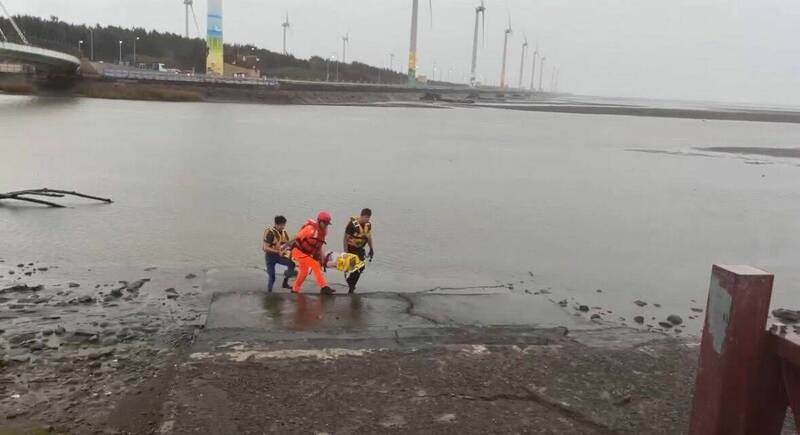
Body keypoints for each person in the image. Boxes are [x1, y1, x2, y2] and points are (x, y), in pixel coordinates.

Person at [291, 211, 335, 295]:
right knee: (315, 265)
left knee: (304, 272)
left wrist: (322, 258)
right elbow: (296, 238)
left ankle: (294, 290)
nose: (326, 225)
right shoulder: (310, 229)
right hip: (298, 251)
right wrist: (284, 247)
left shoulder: (324, 232)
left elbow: (319, 245)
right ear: (319, 221)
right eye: (324, 223)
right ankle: (324, 287)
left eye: (327, 224)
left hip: (306, 254)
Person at [344, 208, 374, 293]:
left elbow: (368, 237)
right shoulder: (351, 225)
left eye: (368, 217)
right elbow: (345, 238)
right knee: (355, 266)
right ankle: (351, 285)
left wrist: (371, 249)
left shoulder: (368, 225)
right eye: (365, 217)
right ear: (361, 216)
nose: (367, 219)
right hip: (351, 248)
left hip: (360, 248)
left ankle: (351, 283)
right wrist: (346, 253)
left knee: (361, 267)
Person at [262, 215, 295, 292]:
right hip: (270, 257)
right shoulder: (270, 233)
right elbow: (265, 248)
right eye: (282, 225)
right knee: (272, 277)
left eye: (284, 225)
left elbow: (288, 243)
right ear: (276, 224)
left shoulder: (284, 233)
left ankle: (285, 282)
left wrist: (296, 243)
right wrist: (277, 251)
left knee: (292, 264)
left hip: (280, 256)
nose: (283, 227)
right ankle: (269, 292)